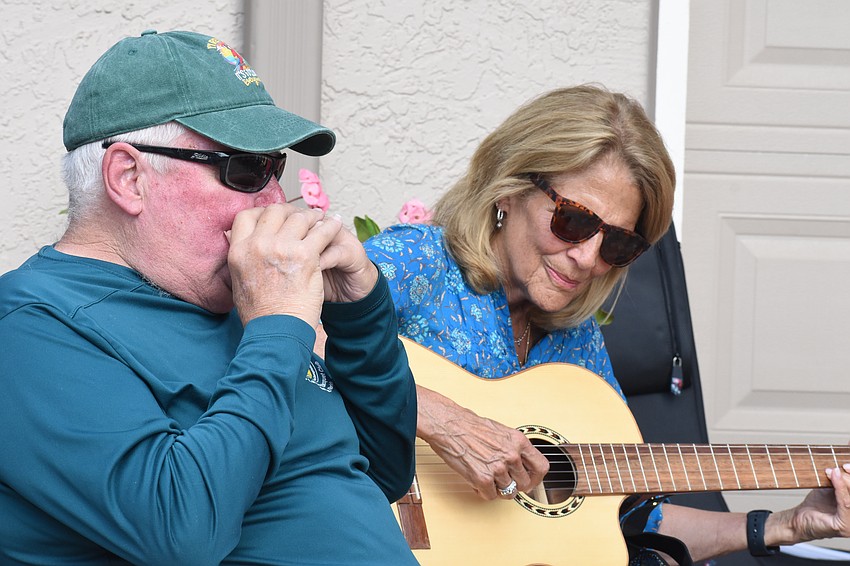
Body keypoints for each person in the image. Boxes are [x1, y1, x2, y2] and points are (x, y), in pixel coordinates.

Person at [363, 85, 850, 563]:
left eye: (617, 245)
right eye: (573, 221)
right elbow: (294, 334)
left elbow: (633, 523)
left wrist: (785, 524)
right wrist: (444, 421)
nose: (586, 259)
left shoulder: (576, 344)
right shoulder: (418, 260)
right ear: (508, 188)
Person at [0, 30, 418, 565]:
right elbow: (182, 532)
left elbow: (378, 470)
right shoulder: (33, 326)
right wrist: (275, 327)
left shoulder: (238, 299)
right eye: (244, 169)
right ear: (129, 177)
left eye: (277, 169)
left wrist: (359, 311)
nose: (273, 200)